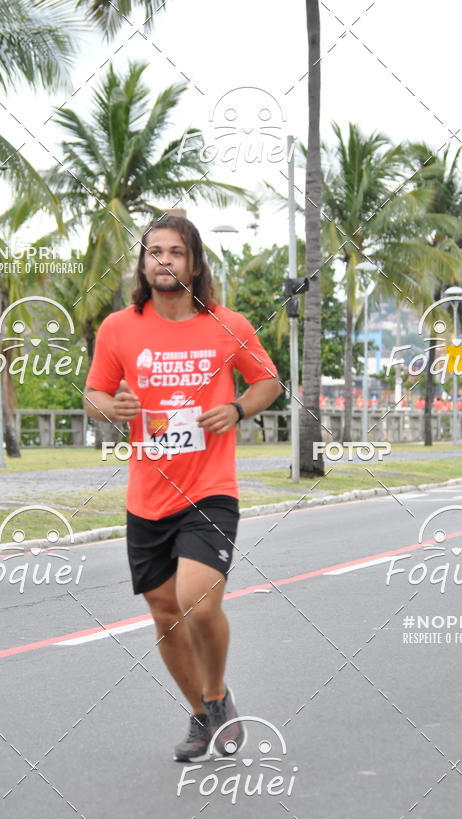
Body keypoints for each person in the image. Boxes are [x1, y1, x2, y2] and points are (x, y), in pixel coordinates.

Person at [84, 215, 281, 759]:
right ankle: (200, 716)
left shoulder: (228, 325)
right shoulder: (118, 329)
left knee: (196, 598)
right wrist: (112, 407)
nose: (164, 260)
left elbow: (268, 380)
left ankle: (217, 697)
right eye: (154, 252)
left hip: (210, 488)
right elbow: (94, 394)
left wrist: (236, 407)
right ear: (143, 264)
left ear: (194, 262)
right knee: (165, 610)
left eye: (175, 251)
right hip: (147, 495)